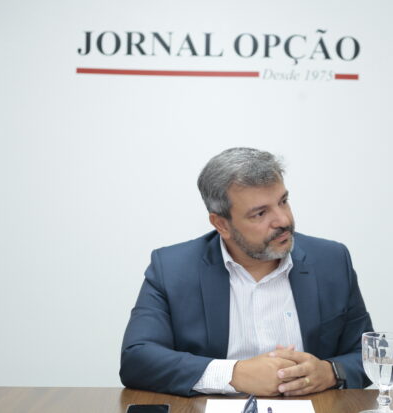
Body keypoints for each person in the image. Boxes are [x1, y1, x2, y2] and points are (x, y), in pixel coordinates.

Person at [120, 147, 374, 396]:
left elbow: (367, 356)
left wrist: (330, 372)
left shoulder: (331, 260)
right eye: (260, 213)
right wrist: (234, 374)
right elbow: (137, 359)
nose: (283, 220)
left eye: (283, 201)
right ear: (222, 224)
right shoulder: (172, 268)